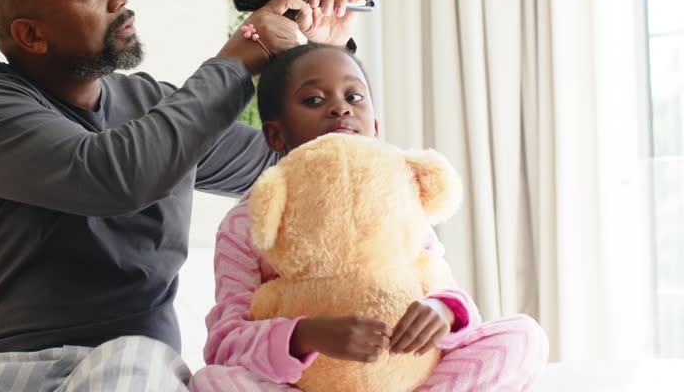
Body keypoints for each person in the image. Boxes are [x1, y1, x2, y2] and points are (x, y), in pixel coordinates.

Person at [0, 0, 366, 392]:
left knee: (132, 364)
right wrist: (238, 61)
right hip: (1, 368)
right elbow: (112, 177)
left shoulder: (156, 107)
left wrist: (324, 61)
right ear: (31, 36)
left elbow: (300, 173)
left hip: (132, 360)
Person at [188, 42, 550, 392]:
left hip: (407, 376)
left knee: (523, 336)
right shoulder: (246, 224)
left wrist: (442, 310)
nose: (339, 109)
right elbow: (225, 345)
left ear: (374, 126)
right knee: (212, 382)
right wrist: (305, 335)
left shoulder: (401, 200)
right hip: (308, 385)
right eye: (314, 99)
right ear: (275, 133)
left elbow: (446, 288)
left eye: (354, 97)